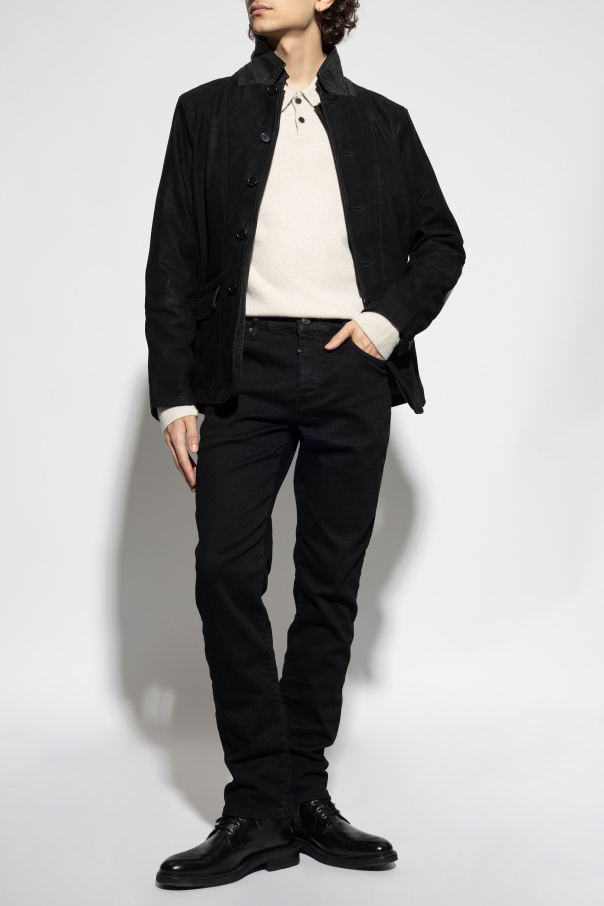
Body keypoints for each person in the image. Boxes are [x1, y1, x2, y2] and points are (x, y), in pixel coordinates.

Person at [145, 0, 465, 890]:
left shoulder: (382, 123)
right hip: (239, 370)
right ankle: (257, 806)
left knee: (329, 586)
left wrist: (383, 325)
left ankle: (304, 794)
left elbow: (441, 242)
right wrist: (174, 394)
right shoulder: (204, 112)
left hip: (348, 369)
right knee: (226, 572)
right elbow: (173, 257)